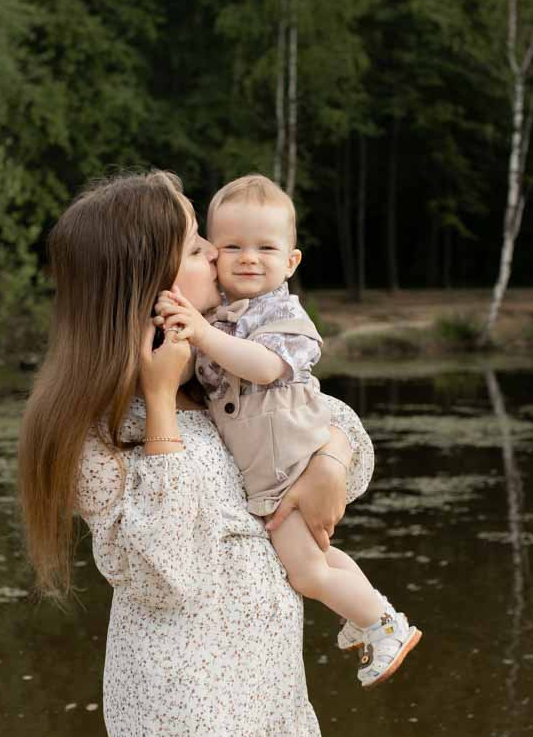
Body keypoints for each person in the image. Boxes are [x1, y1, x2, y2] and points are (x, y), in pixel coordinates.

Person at [18, 169, 374, 737]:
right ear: (150, 283)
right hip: (184, 702)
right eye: (198, 248)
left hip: (259, 684)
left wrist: (328, 466)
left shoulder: (227, 363)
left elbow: (342, 437)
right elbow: (164, 570)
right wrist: (159, 402)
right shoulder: (98, 426)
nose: (220, 258)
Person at [154, 173, 421, 689]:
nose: (247, 258)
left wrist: (203, 332)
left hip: (289, 462)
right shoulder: (220, 315)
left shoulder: (281, 313)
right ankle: (363, 614)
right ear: (213, 254)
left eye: (265, 248)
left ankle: (385, 625)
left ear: (292, 262)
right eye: (231, 246)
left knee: (306, 573)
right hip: (271, 467)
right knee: (319, 556)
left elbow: (264, 367)